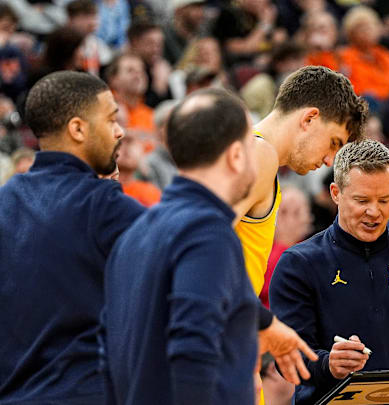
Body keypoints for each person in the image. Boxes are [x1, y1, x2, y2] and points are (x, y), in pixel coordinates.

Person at [270, 139, 389, 404]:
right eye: (362, 200)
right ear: (336, 193)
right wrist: (329, 365)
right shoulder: (299, 264)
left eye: (384, 200)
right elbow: (287, 358)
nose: (374, 212)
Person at [103, 88, 260, 404]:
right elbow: (193, 349)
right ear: (236, 155)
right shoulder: (207, 232)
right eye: (251, 144)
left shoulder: (138, 230)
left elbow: (105, 353)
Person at [0, 71, 145, 403]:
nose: (120, 131)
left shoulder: (6, 199)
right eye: (111, 120)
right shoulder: (103, 205)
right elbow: (191, 255)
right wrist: (264, 323)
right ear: (78, 129)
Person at [233, 65, 366, 299]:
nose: (329, 161)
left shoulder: (253, 150)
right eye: (333, 143)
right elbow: (200, 235)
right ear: (310, 119)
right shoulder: (259, 154)